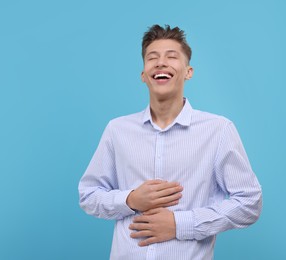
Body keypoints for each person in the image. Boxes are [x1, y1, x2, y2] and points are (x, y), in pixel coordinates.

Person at [78, 24, 262, 260]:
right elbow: (88, 195)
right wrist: (130, 199)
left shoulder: (218, 130)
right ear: (144, 75)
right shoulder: (117, 130)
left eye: (171, 57)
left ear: (188, 71)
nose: (161, 63)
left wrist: (180, 224)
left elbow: (249, 203)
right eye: (152, 58)